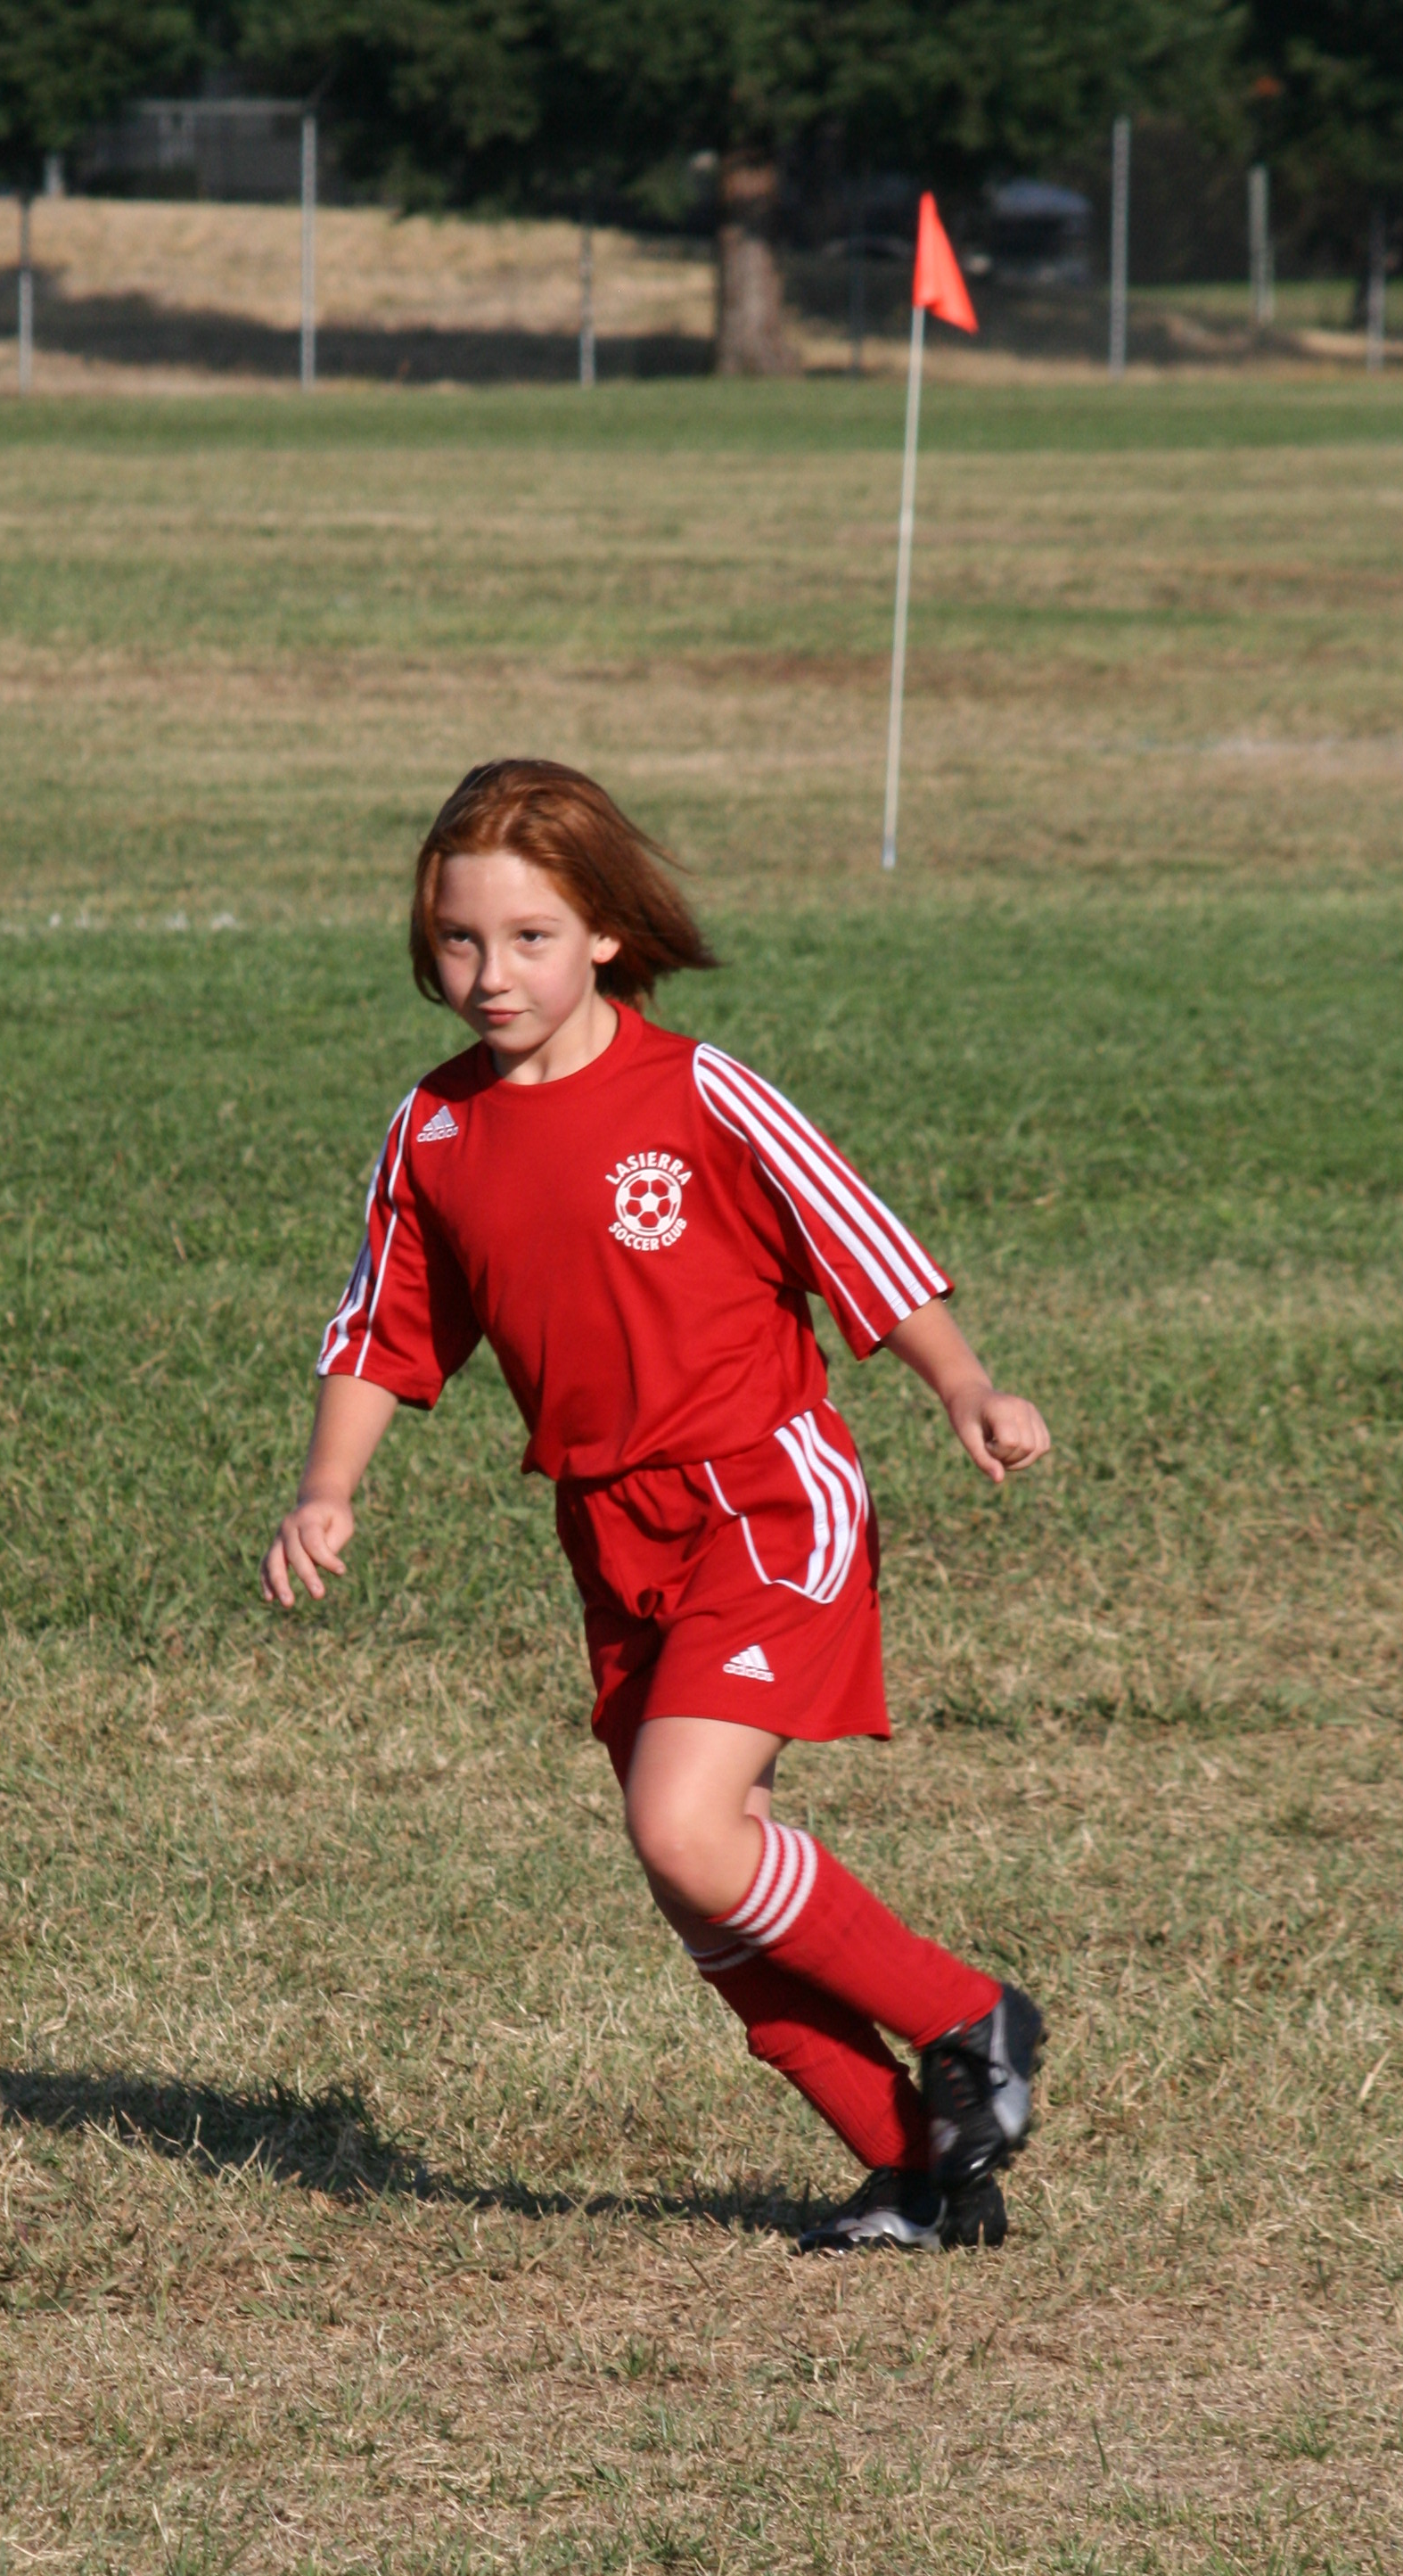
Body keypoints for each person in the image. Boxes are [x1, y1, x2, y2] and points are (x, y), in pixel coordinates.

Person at [261, 761, 1052, 2253]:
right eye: (459, 941)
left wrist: (964, 1384)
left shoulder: (696, 1090)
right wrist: (326, 1489)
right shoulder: (433, 1131)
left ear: (607, 932)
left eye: (531, 938)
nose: (491, 975)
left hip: (765, 1495)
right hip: (610, 1531)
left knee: (685, 1826)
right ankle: (915, 2169)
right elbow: (382, 1328)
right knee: (697, 1879)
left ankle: (971, 2018)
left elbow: (855, 1234)